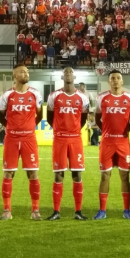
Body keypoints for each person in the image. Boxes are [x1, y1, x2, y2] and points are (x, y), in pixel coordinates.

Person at [0, 64, 43, 220]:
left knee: (33, 173)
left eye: (27, 72)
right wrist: (13, 127)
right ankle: (6, 210)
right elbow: (1, 116)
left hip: (29, 139)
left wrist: (27, 127)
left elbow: (39, 115)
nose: (26, 74)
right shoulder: (7, 95)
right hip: (11, 138)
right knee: (8, 173)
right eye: (22, 72)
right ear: (15, 75)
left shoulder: (35, 94)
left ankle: (35, 211)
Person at [45, 67, 90, 221]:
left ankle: (78, 211)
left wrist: (74, 129)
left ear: (74, 76)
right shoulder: (54, 96)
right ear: (62, 76)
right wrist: (60, 129)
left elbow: (83, 119)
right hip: (60, 139)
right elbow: (50, 118)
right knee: (58, 175)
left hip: (75, 139)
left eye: (70, 72)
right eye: (65, 72)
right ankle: (56, 211)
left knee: (77, 174)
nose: (68, 74)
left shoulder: (82, 97)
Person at [92, 70, 130, 220]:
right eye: (113, 78)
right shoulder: (101, 98)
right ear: (109, 81)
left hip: (123, 142)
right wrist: (105, 131)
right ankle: (102, 211)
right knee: (105, 176)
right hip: (107, 142)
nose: (116, 80)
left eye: (118, 78)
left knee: (125, 176)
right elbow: (98, 118)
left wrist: (125, 132)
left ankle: (127, 210)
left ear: (122, 81)